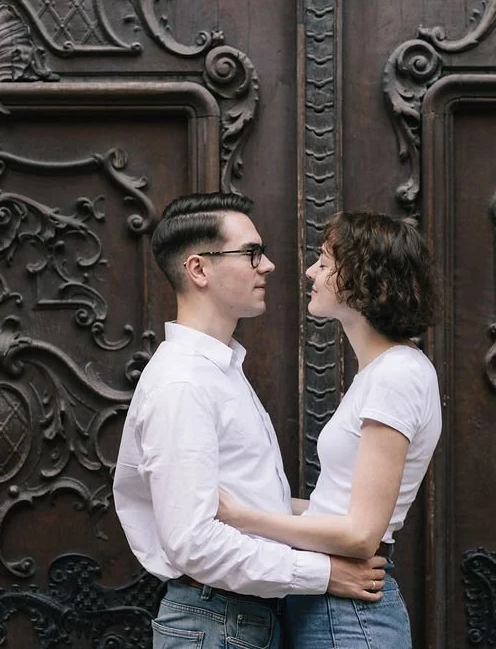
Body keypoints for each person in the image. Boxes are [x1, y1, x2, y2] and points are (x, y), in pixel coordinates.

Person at [113, 192, 387, 649]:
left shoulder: (217, 371)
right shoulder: (183, 383)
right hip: (218, 620)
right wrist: (323, 573)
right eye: (251, 253)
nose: (269, 266)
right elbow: (193, 542)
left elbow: (245, 503)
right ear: (198, 269)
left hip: (237, 620)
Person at [218, 210, 442, 648]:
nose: (310, 271)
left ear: (365, 279)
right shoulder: (383, 372)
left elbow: (360, 535)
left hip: (349, 615)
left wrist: (240, 515)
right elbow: (334, 509)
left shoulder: (397, 375)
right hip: (328, 602)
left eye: (323, 262)